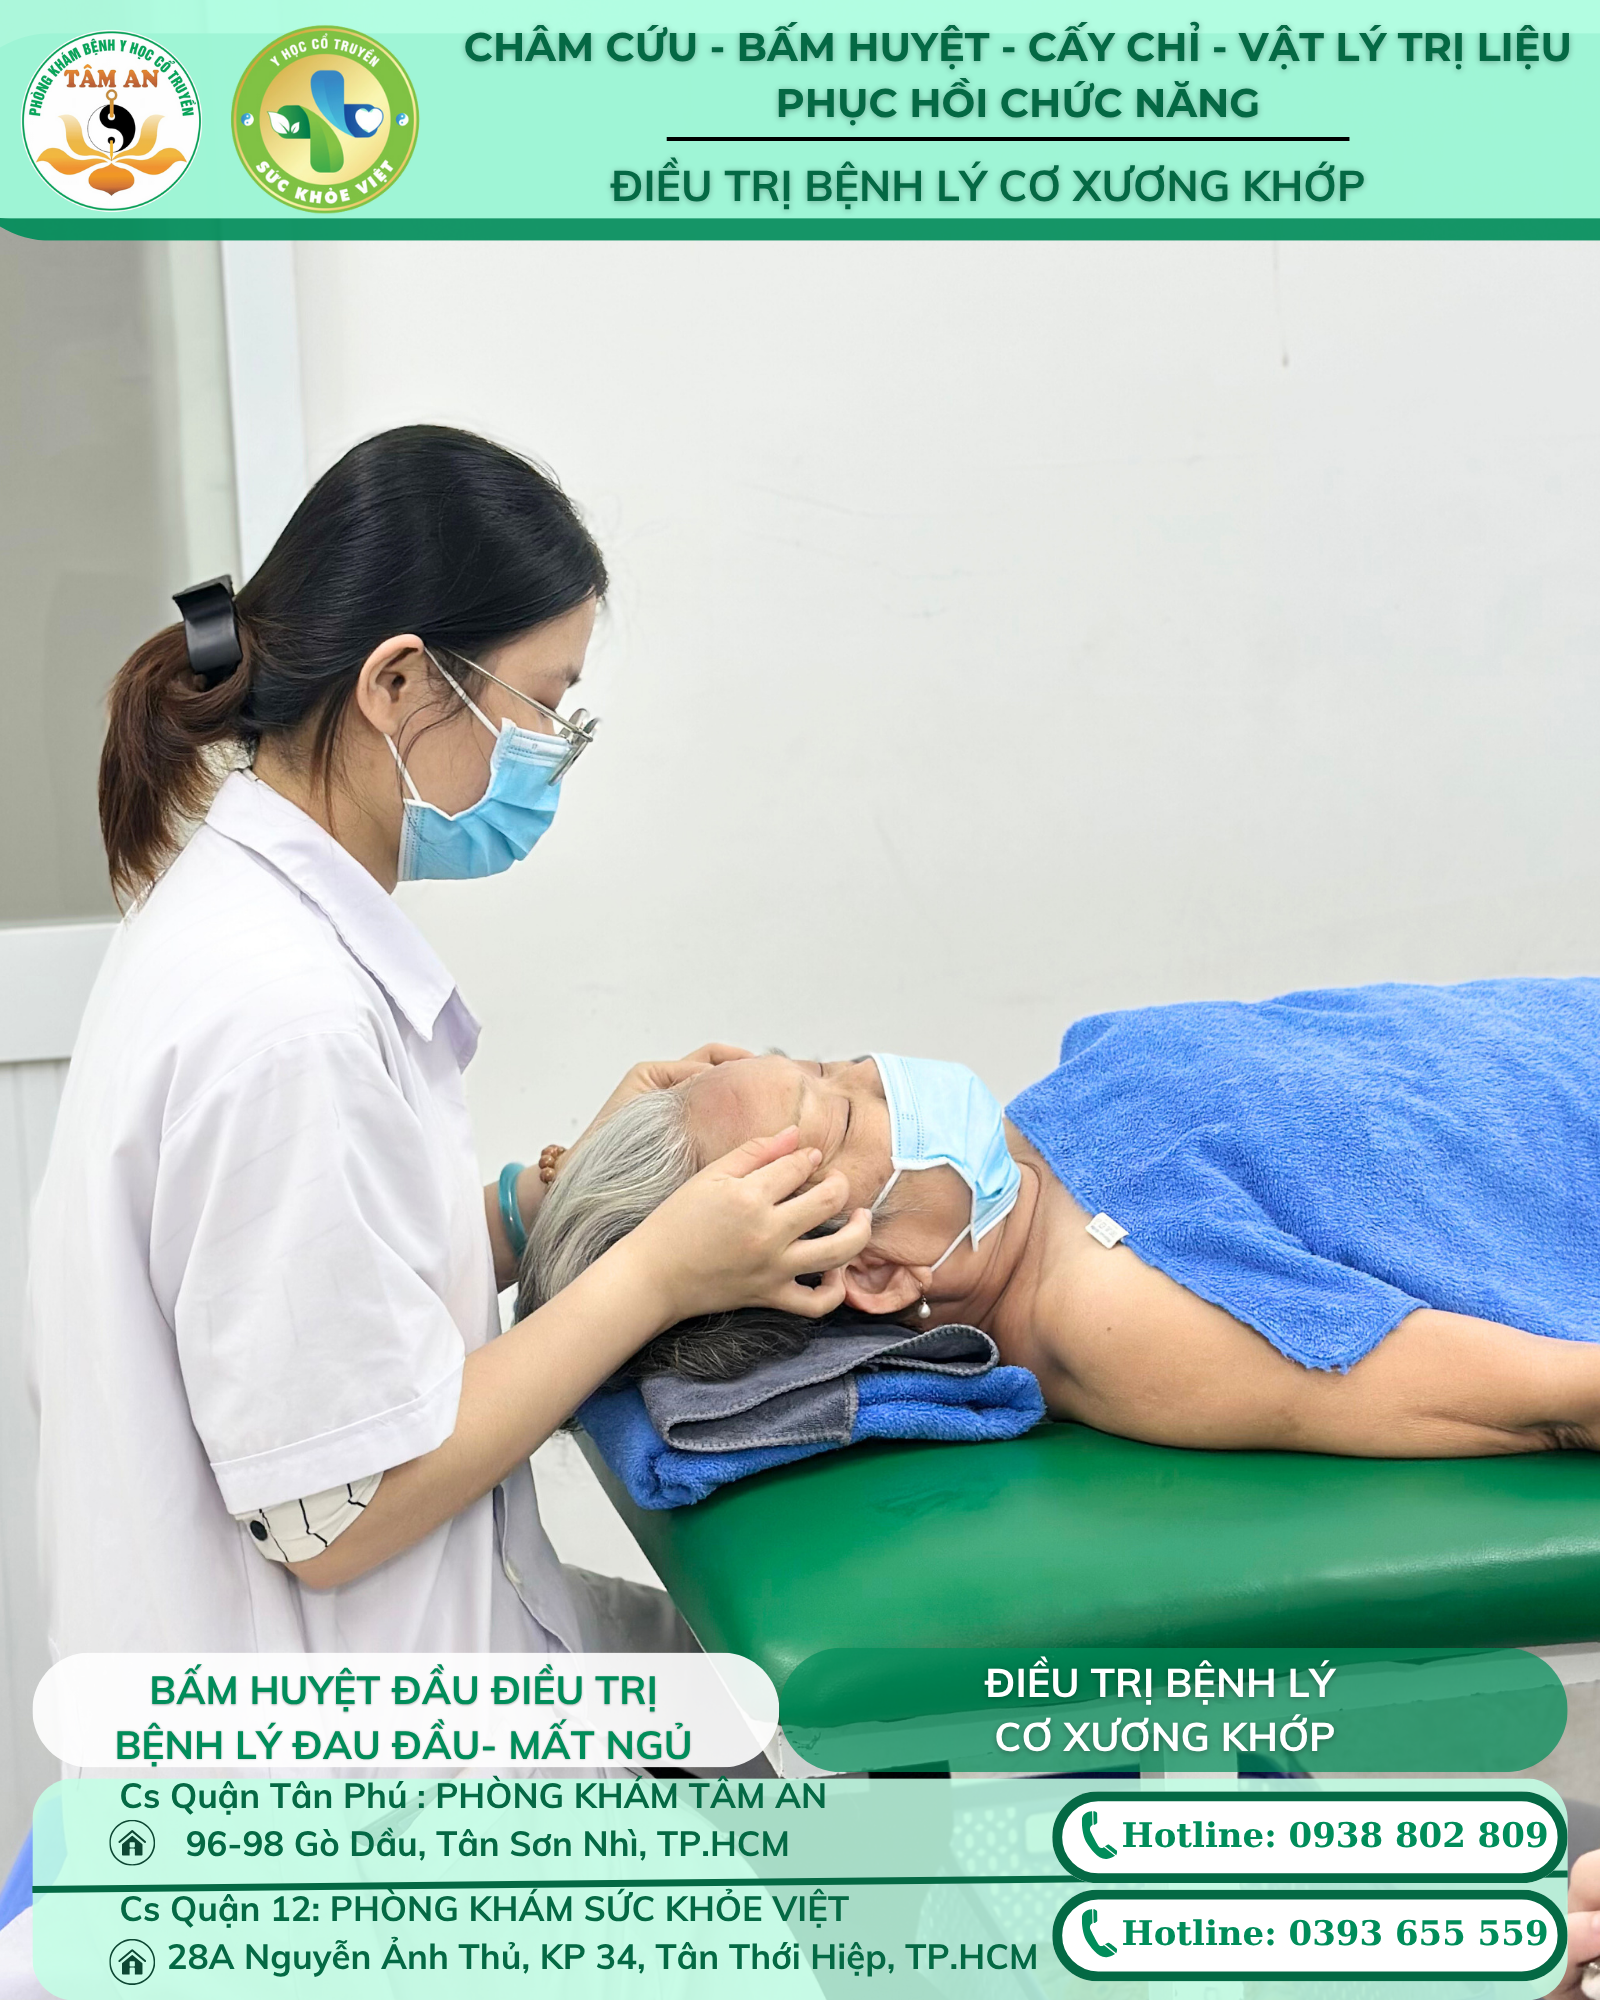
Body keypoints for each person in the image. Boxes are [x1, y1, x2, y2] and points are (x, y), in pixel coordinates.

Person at [26, 423, 871, 1665]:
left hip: (388, 1664)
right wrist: (658, 1275)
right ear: (400, 684)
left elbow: (330, 1294)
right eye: (545, 706)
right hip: (327, 1749)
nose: (554, 754)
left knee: (719, 1692)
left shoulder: (242, 926)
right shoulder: (286, 1014)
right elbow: (332, 1510)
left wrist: (539, 1205)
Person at [522, 979, 1600, 1458]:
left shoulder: (1057, 1122)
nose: (878, 1069)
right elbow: (1553, 1400)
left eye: (828, 1059)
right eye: (843, 1107)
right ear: (879, 1271)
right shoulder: (1120, 1316)